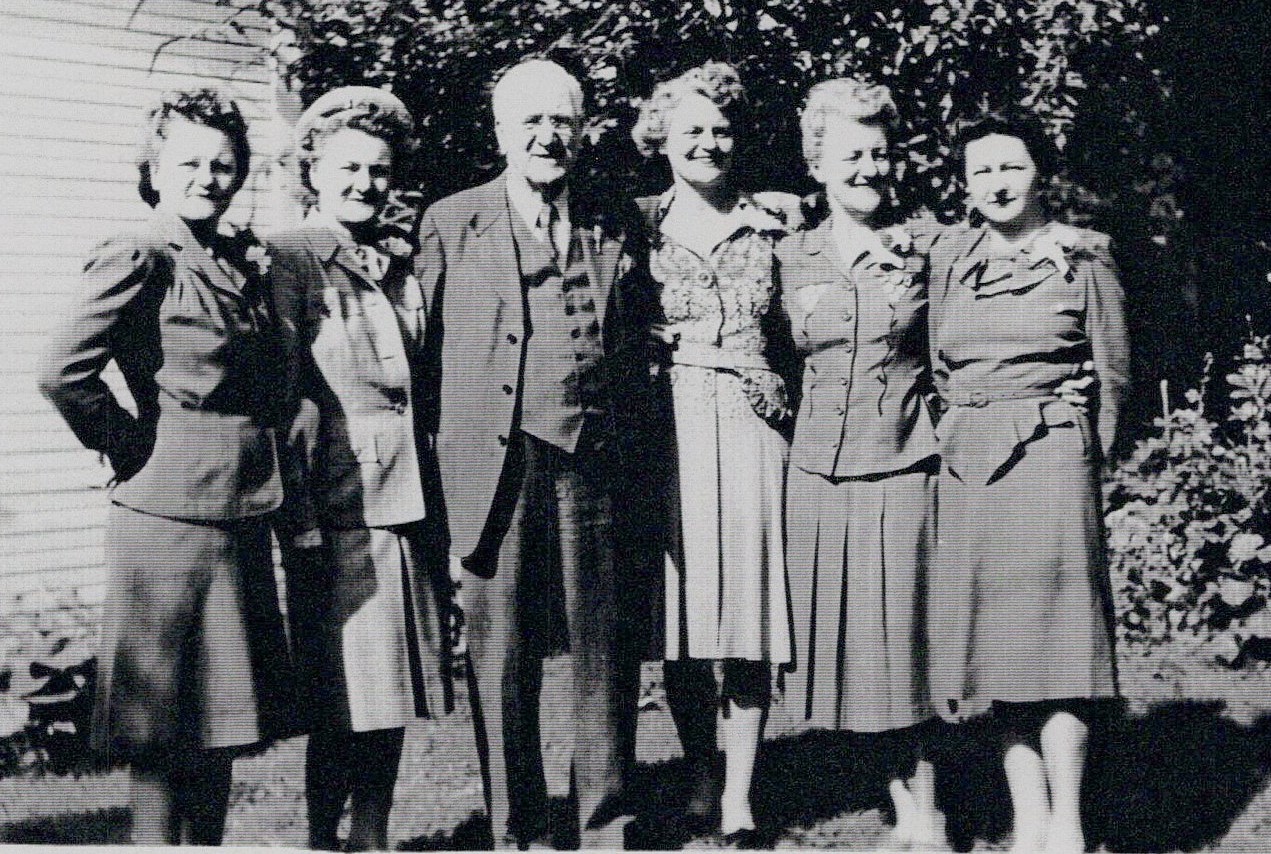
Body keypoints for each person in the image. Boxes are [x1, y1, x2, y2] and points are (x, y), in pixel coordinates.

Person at [38, 86, 294, 845]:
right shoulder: (141, 253)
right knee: (160, 728)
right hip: (168, 521)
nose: (208, 178)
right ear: (153, 169)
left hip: (240, 509)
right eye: (189, 163)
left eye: (223, 164)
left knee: (221, 721)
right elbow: (62, 371)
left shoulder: (233, 258)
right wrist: (128, 443)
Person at [414, 57, 653, 850]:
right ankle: (518, 832)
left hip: (596, 460)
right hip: (497, 465)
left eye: (562, 121)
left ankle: (605, 823)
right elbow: (422, 362)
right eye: (531, 122)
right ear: (500, 133)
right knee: (501, 657)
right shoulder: (451, 222)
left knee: (605, 651)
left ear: (582, 132)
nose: (547, 136)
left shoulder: (613, 219)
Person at [926, 109, 1129, 854]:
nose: (997, 182)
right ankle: (1029, 814)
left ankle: (1068, 821)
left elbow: (1113, 375)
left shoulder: (1084, 257)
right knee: (995, 645)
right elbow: (938, 364)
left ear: (1041, 173)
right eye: (980, 170)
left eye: (1011, 166)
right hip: (970, 467)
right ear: (964, 183)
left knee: (1061, 643)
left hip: (1051, 460)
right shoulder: (951, 259)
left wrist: (1084, 455)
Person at [269, 86, 453, 851]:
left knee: (392, 688)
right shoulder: (288, 259)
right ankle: (324, 837)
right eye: (347, 167)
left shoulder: (399, 259)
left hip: (408, 501)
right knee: (342, 695)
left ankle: (371, 834)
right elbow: (281, 397)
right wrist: (298, 518)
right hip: (339, 505)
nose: (364, 183)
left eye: (377, 169)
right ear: (313, 171)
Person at [630, 61, 797, 844]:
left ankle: (740, 792)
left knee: (749, 615)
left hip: (754, 426)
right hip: (669, 431)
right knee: (684, 615)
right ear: (660, 138)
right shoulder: (633, 226)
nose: (707, 142)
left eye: (720, 129)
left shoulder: (778, 224)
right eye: (690, 129)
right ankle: (700, 767)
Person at [778, 77, 947, 850]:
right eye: (849, 155)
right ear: (816, 163)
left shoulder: (931, 245)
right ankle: (898, 803)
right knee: (854, 652)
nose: (867, 169)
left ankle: (928, 812)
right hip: (816, 475)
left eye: (878, 154)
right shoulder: (788, 252)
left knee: (906, 644)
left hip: (905, 464)